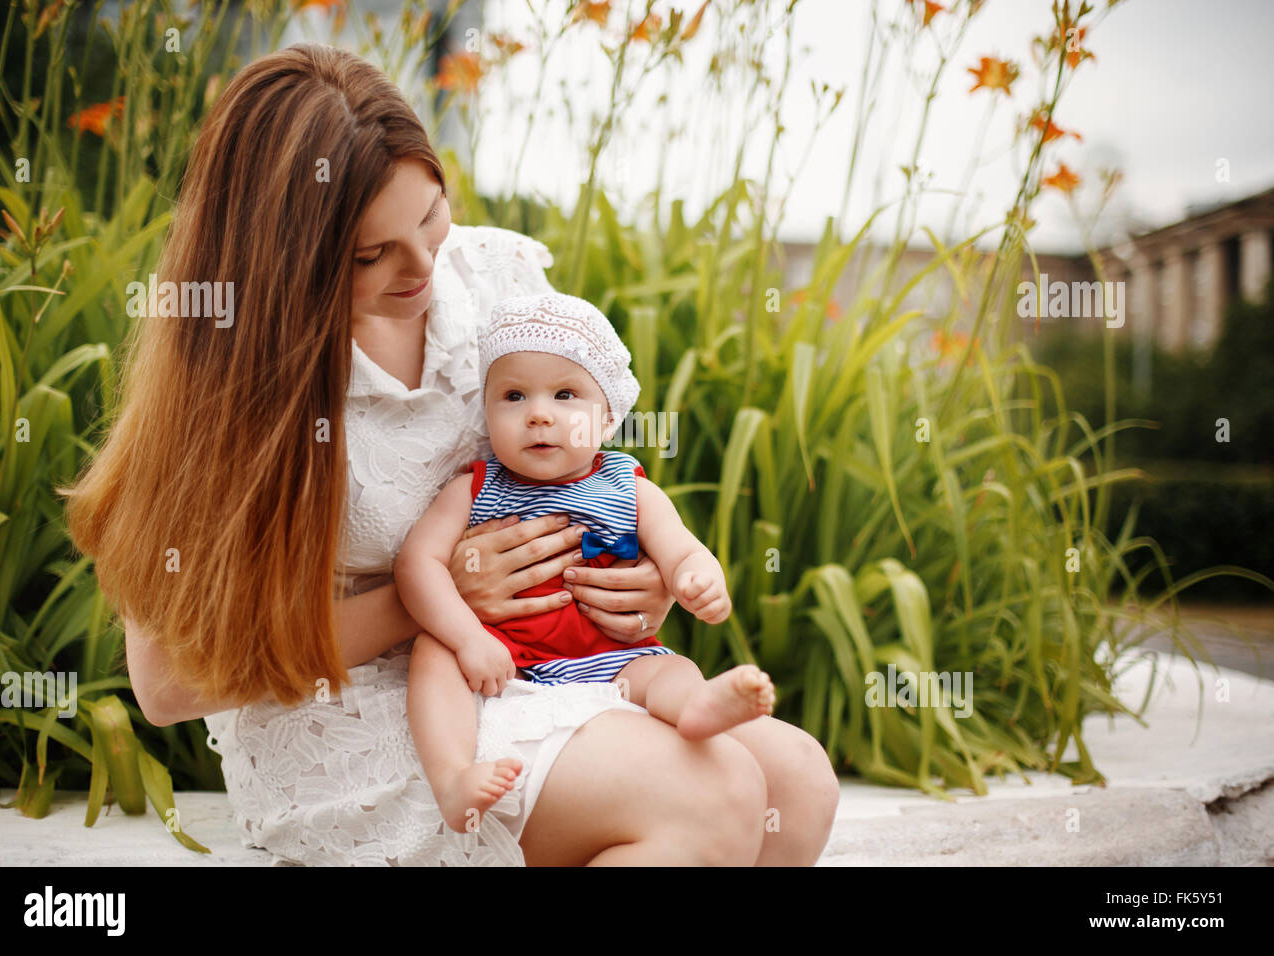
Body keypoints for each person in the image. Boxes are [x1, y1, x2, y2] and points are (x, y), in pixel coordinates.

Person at [62, 43, 838, 865]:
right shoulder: (225, 380)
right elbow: (168, 686)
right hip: (356, 720)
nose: (425, 265)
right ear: (284, 263)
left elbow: (581, 465)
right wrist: (432, 598)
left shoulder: (496, 277)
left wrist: (634, 576)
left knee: (796, 781)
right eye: (371, 255)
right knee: (710, 795)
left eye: (432, 216)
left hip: (538, 672)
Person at [398, 291, 778, 833]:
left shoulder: (630, 487)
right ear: (487, 413)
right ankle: (454, 776)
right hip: (503, 654)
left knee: (669, 667)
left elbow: (682, 549)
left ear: (606, 420)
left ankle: (697, 708)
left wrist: (697, 580)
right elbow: (418, 564)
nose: (537, 414)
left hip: (610, 654)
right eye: (512, 396)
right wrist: (467, 638)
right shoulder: (476, 487)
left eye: (564, 394)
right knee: (432, 652)